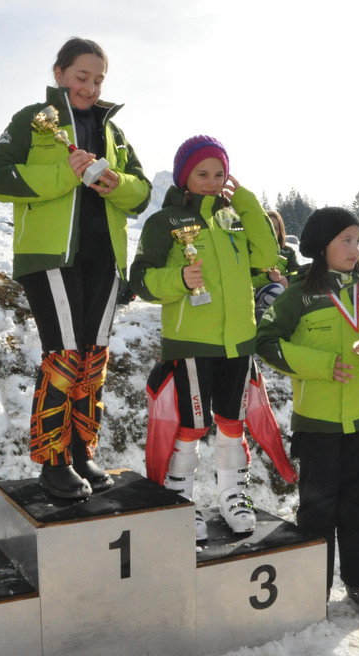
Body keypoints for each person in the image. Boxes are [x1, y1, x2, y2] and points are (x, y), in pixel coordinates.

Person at [0, 37, 151, 500]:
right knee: (65, 354)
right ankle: (53, 461)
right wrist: (66, 173)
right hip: (50, 257)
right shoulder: (33, 120)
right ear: (59, 74)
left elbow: (141, 194)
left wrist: (116, 184)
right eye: (82, 77)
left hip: (105, 258)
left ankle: (81, 452)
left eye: (99, 80)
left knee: (92, 357)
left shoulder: (113, 131)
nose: (91, 88)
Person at [130, 135, 290, 539]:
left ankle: (232, 493)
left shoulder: (234, 218)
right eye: (202, 173)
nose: (212, 181)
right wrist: (179, 279)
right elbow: (141, 279)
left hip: (238, 341)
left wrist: (248, 204)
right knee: (190, 425)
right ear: (184, 176)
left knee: (233, 422)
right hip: (191, 342)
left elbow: (267, 257)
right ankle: (180, 497)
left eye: (219, 173)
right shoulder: (164, 222)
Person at [256, 207, 359, 620]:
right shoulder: (299, 293)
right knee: (317, 508)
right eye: (346, 241)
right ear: (323, 247)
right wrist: (319, 365)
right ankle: (311, 588)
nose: (356, 249)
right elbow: (266, 341)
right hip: (317, 420)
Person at [252, 209, 296, 320]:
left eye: (275, 228)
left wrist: (287, 278)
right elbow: (246, 281)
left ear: (280, 231)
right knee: (277, 289)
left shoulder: (287, 251)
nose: (271, 231)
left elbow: (297, 272)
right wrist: (268, 278)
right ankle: (264, 320)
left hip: (280, 291)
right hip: (255, 292)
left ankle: (275, 321)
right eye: (268, 227)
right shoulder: (252, 249)